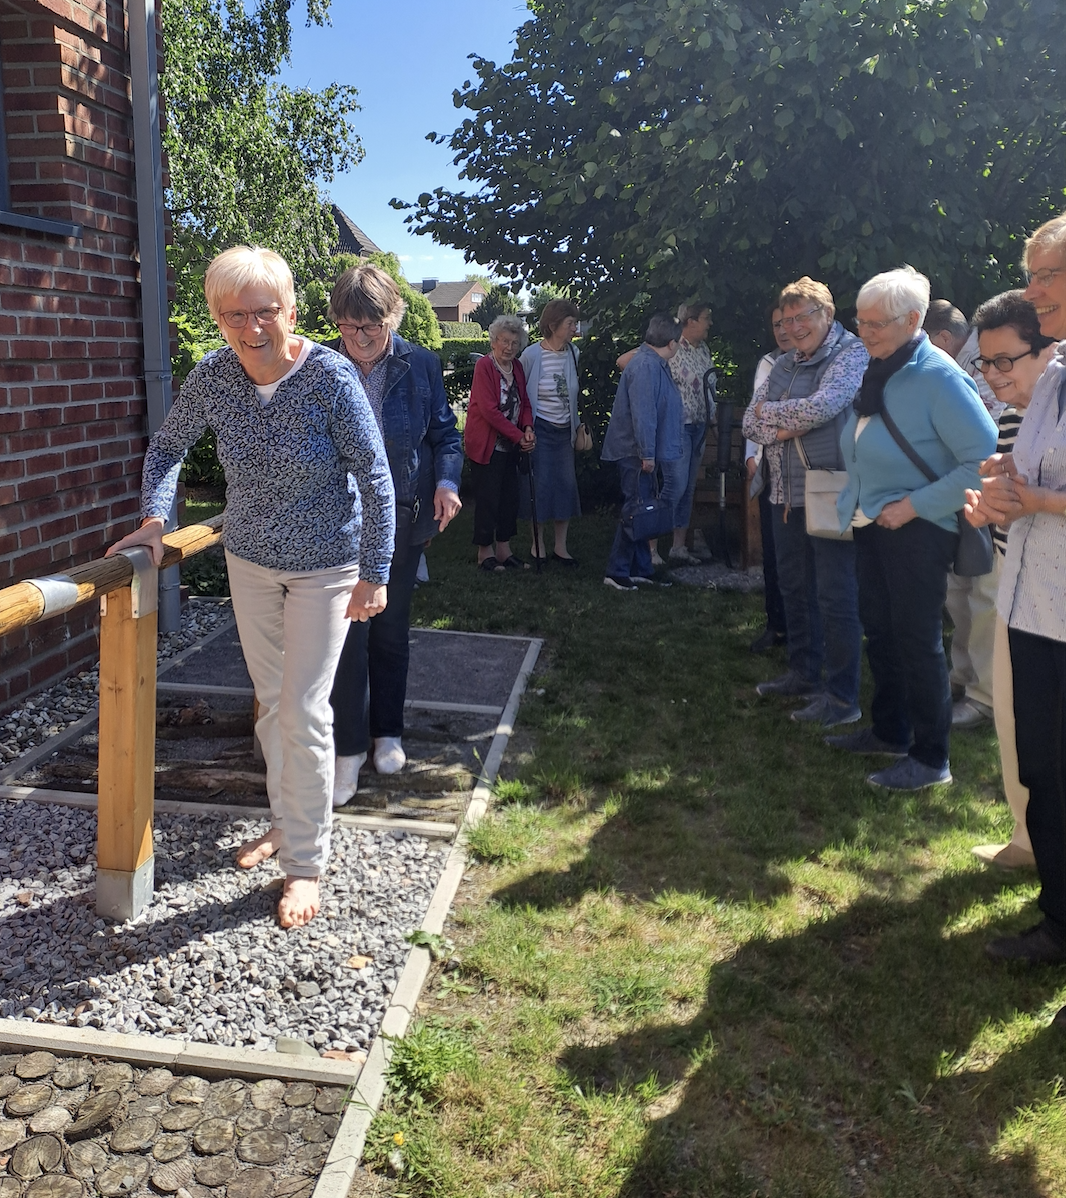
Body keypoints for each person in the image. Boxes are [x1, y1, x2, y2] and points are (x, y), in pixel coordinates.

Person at [107, 246, 395, 928]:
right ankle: (287, 818)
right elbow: (167, 448)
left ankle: (305, 864)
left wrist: (374, 572)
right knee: (271, 705)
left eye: (263, 310)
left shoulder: (328, 378)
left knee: (302, 708)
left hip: (327, 565)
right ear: (218, 317)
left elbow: (375, 476)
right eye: (232, 313)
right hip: (252, 562)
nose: (249, 325)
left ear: (290, 311)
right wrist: (155, 519)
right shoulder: (213, 376)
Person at [831, 265, 997, 791]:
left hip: (918, 528)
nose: (864, 332)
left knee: (917, 640)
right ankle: (890, 731)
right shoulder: (880, 365)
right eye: (860, 321)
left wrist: (914, 505)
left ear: (914, 320)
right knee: (881, 630)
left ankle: (930, 758)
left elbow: (983, 459)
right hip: (874, 522)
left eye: (876, 323)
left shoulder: (938, 375)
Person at [968, 212, 1066, 967]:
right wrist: (999, 493)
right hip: (1033, 607)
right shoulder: (1054, 377)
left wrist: (1032, 501)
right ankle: (1057, 924)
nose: (1035, 289)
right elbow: (1023, 477)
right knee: (1043, 770)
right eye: (1030, 273)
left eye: (1050, 273)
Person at [326, 264, 463, 801]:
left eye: (372, 327)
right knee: (346, 640)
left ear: (393, 317)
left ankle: (388, 733)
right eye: (349, 326)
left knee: (389, 631)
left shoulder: (421, 364)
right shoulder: (321, 366)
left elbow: (445, 436)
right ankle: (349, 748)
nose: (360, 339)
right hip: (337, 523)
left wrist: (447, 483)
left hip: (402, 518)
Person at [741, 278, 868, 727]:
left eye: (802, 317)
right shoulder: (784, 362)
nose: (793, 328)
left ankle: (842, 696)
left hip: (832, 487)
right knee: (794, 586)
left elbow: (825, 406)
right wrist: (784, 423)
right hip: (784, 493)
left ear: (827, 316)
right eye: (787, 319)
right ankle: (802, 672)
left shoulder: (851, 353)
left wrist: (774, 417)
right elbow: (747, 422)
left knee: (834, 595)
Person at [964, 291, 1055, 869]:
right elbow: (1009, 506)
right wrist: (985, 507)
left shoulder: (1057, 411)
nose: (993, 376)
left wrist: (1022, 499)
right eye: (985, 362)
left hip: (1054, 598)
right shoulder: (1013, 414)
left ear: (1046, 351)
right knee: (1014, 721)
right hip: (1013, 584)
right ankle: (1027, 837)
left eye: (1005, 361)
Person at [923, 300, 1000, 729]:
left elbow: (987, 429)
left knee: (984, 595)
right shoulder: (965, 363)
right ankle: (963, 676)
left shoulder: (978, 365)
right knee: (959, 590)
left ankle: (984, 696)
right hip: (961, 491)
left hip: (994, 493)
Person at [618, 304, 715, 566]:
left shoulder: (702, 349)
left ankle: (678, 547)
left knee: (688, 488)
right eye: (706, 318)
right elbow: (625, 362)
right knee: (675, 485)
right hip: (676, 427)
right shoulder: (668, 344)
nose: (710, 323)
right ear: (690, 321)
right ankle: (651, 546)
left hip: (699, 426)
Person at [601, 314, 684, 590]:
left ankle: (640, 569)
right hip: (635, 452)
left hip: (639, 451)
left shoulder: (651, 362)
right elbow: (644, 413)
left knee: (642, 509)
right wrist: (647, 454)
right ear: (671, 343)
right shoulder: (647, 367)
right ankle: (617, 571)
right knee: (635, 511)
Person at [465, 315, 535, 571]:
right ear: (494, 342)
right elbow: (488, 410)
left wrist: (527, 428)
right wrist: (518, 437)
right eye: (504, 341)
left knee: (509, 498)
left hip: (511, 445)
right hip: (487, 445)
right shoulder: (484, 366)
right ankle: (485, 552)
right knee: (488, 499)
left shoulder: (516, 367)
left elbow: (524, 402)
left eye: (514, 343)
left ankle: (504, 550)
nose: (509, 347)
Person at [518, 299, 583, 565]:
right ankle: (537, 546)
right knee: (541, 487)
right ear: (553, 325)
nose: (574, 329)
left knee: (566, 486)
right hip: (540, 429)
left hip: (565, 431)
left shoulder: (574, 354)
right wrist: (526, 428)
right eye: (570, 324)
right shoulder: (532, 355)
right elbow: (521, 394)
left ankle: (561, 548)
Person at [746, 304, 791, 653]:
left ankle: (804, 633)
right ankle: (775, 625)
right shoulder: (768, 363)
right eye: (777, 324)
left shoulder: (828, 365)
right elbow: (754, 415)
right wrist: (752, 455)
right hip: (768, 470)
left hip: (806, 477)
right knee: (774, 556)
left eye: (789, 323)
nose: (783, 330)